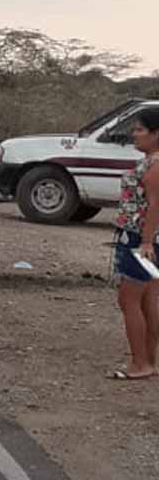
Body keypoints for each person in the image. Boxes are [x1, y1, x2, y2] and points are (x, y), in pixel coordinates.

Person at [109, 109, 159, 380]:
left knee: (129, 300)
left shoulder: (155, 166)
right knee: (148, 298)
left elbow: (155, 207)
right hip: (146, 238)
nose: (135, 134)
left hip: (140, 239)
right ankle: (150, 361)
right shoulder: (150, 162)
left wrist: (147, 241)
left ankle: (140, 363)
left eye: (140, 129)